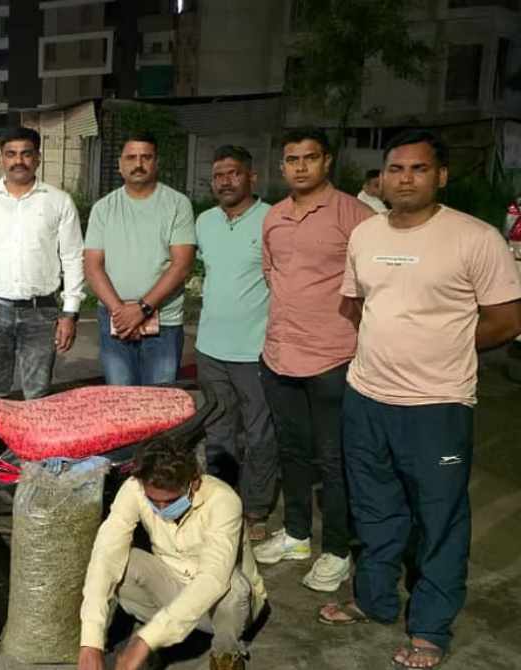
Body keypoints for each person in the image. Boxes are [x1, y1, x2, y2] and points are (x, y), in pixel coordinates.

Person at [318, 130, 521, 669]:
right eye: (395, 169)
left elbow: (506, 320)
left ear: (441, 176)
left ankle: (430, 628)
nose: (404, 179)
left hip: (437, 404)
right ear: (381, 177)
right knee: (374, 509)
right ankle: (374, 599)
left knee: (439, 519)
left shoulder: (475, 238)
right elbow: (357, 306)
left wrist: (443, 346)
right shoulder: (365, 235)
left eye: (418, 169)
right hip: (367, 396)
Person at [253, 128, 375, 593]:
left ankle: (337, 551)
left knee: (333, 459)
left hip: (332, 358)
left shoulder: (356, 216)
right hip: (279, 354)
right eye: (292, 159)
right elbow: (272, 273)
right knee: (292, 450)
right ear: (282, 166)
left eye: (309, 158)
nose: (300, 167)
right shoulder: (275, 216)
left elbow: (372, 286)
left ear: (327, 161)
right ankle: (297, 535)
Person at [78, 442, 266, 670]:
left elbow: (213, 579)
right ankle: (160, 639)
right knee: (122, 562)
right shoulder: (135, 488)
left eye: (170, 501)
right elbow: (106, 554)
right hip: (171, 586)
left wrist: (146, 639)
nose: (160, 508)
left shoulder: (223, 501)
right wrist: (91, 641)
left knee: (233, 588)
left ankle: (226, 654)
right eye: (153, 500)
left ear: (194, 483)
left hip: (223, 610)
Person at [0, 126, 84, 399]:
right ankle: (1, 429)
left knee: (38, 394)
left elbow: (73, 258)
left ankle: (34, 429)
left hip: (41, 312)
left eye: (26, 154)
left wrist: (70, 313)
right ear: (1, 158)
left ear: (38, 158)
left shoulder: (59, 201)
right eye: (11, 154)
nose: (18, 161)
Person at [193, 145, 277, 542]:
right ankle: (221, 502)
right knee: (218, 431)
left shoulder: (272, 219)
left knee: (259, 433)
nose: (225, 182)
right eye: (218, 176)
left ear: (252, 177)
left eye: (234, 173)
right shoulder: (205, 222)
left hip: (255, 350)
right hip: (210, 348)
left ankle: (256, 508)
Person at [84, 132, 196, 386]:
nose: (138, 164)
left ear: (156, 162)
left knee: (159, 401)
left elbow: (181, 265)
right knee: (121, 401)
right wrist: (121, 313)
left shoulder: (177, 204)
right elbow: (92, 266)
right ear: (120, 164)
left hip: (163, 321)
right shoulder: (103, 208)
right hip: (115, 319)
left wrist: (142, 309)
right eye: (131, 157)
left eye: (146, 157)